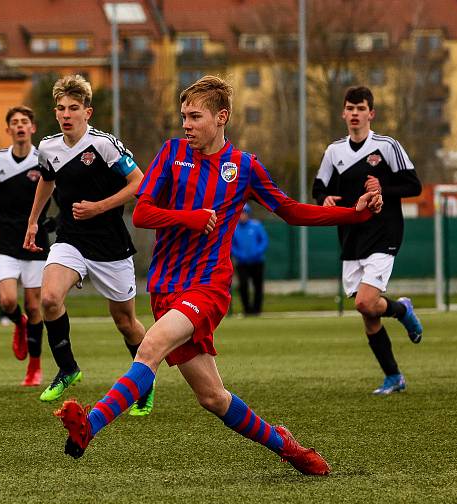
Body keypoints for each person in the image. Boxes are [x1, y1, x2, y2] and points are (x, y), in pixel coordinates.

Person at [54, 74, 384, 475]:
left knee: (148, 349)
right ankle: (288, 447)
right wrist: (189, 218)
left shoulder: (244, 167)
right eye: (183, 117)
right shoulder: (172, 153)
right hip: (165, 289)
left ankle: (90, 425)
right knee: (213, 397)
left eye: (194, 117)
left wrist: (357, 213)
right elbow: (141, 213)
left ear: (221, 117)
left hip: (207, 287)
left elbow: (292, 210)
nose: (186, 125)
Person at [24, 75, 153, 415]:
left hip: (111, 244)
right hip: (71, 238)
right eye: (62, 109)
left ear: (88, 112)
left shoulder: (105, 145)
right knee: (48, 298)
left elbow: (140, 183)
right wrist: (33, 221)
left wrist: (99, 207)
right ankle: (68, 368)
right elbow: (47, 182)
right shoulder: (48, 147)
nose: (67, 115)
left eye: (74, 108)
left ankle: (145, 383)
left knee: (126, 322)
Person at [313, 85, 423, 396]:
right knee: (367, 311)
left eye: (361, 109)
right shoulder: (334, 151)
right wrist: (325, 200)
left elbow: (414, 185)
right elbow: (318, 188)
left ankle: (402, 311)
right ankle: (394, 377)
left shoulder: (387, 146)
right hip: (350, 236)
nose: (355, 114)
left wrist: (383, 186)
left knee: (365, 301)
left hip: (384, 233)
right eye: (350, 108)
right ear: (343, 113)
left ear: (371, 113)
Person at [0, 106, 49, 386]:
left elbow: (57, 191)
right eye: (15, 123)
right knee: (7, 300)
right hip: (3, 241)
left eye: (25, 122)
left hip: (34, 243)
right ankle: (18, 325)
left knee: (34, 306)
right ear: (8, 130)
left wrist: (53, 221)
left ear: (33, 128)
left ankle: (34, 366)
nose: (20, 126)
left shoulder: (44, 160)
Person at [231, 203, 268, 315]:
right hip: (242, 263)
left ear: (248, 214)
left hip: (257, 261)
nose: (242, 215)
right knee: (243, 285)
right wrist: (239, 255)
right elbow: (231, 245)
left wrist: (257, 252)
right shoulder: (234, 228)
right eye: (241, 213)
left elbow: (264, 241)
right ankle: (247, 309)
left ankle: (257, 310)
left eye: (244, 213)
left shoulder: (256, 226)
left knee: (258, 286)